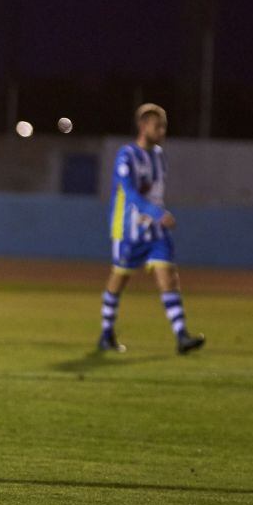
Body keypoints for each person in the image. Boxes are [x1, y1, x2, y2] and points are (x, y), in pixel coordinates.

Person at [97, 104, 206, 354]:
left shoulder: (159, 156)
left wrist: (157, 216)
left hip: (156, 231)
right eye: (158, 126)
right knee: (119, 278)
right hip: (128, 230)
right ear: (143, 125)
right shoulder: (126, 155)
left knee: (168, 277)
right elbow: (130, 193)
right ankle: (106, 333)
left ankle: (181, 337)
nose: (162, 131)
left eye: (164, 126)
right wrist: (157, 214)